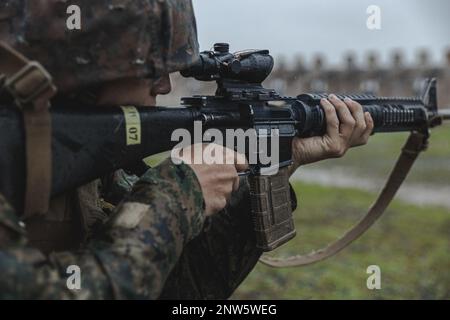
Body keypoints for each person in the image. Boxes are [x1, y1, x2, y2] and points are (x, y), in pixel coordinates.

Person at [0, 0, 373, 299]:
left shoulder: (89, 161)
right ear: (85, 71)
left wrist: (279, 158)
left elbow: (177, 289)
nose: (164, 87)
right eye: (152, 70)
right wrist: (175, 195)